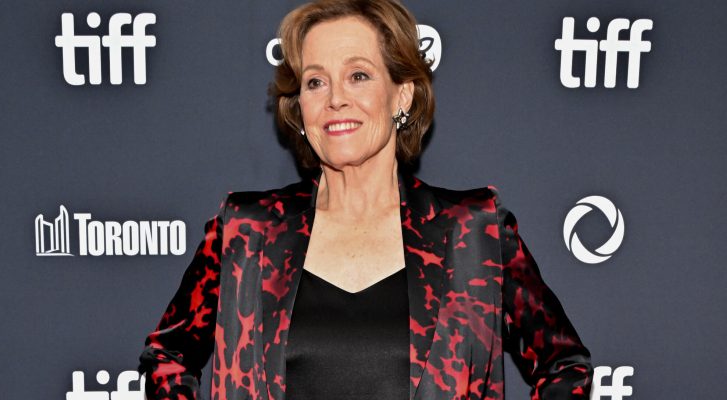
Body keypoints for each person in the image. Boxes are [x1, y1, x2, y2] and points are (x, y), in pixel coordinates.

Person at [137, 0, 593, 399]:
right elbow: (167, 357)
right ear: (300, 107)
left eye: (358, 76)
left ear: (402, 95)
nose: (335, 99)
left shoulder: (473, 234)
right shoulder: (246, 232)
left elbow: (564, 366)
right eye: (315, 82)